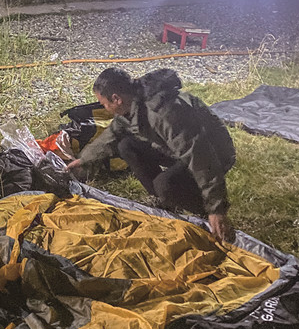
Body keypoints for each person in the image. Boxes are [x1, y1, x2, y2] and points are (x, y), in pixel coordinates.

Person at [66, 68, 236, 242]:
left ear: (116, 99)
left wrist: (216, 209)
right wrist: (84, 159)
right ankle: (166, 201)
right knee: (126, 145)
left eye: (104, 104)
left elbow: (200, 157)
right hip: (178, 149)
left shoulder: (163, 113)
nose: (105, 108)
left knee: (164, 184)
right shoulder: (132, 102)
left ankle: (206, 214)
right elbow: (113, 134)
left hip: (215, 153)